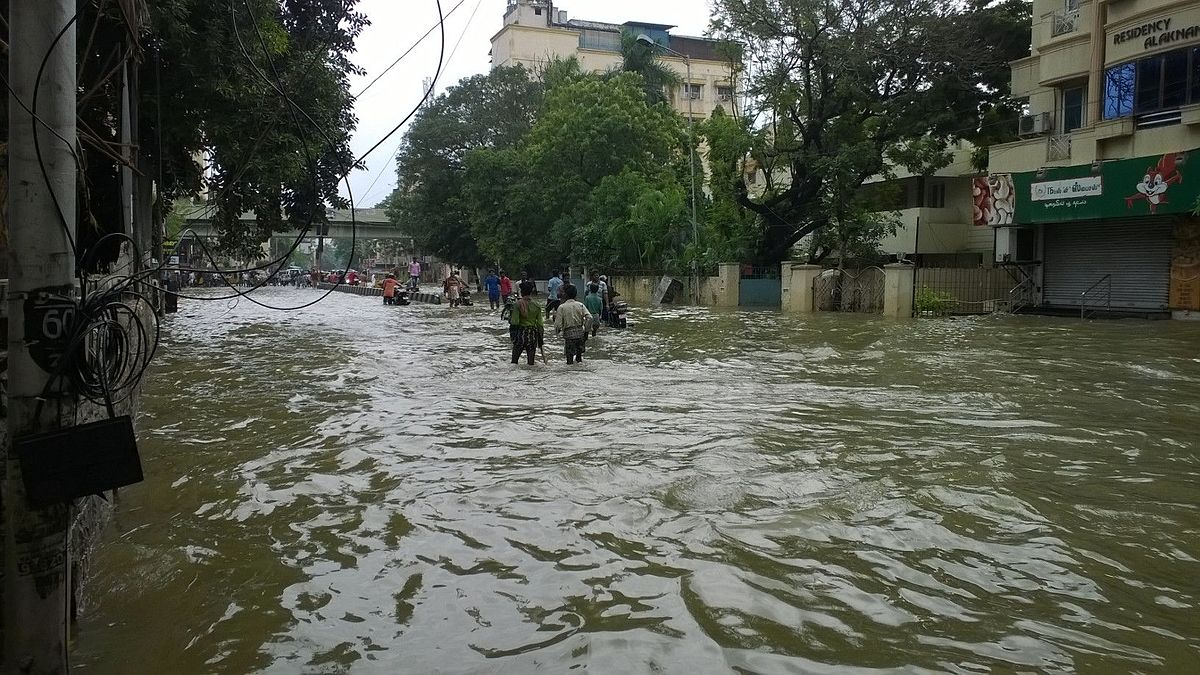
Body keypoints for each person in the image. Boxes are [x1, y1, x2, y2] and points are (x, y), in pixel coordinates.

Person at [554, 284, 591, 365]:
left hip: (569, 335)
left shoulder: (562, 307)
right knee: (579, 359)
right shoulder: (580, 305)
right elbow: (589, 318)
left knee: (569, 361)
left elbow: (558, 325)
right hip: (580, 334)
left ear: (565, 295)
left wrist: (558, 333)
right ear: (576, 294)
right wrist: (586, 332)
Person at [509, 280, 544, 365]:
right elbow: (540, 324)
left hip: (521, 334)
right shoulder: (537, 305)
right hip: (532, 334)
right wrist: (540, 339)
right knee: (531, 363)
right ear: (531, 291)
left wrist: (513, 337)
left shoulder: (517, 304)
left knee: (514, 362)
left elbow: (515, 322)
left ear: (521, 291)